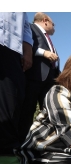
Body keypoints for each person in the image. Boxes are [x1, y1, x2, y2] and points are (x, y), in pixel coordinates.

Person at [19, 12, 61, 143]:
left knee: (48, 110)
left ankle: (46, 140)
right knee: (28, 110)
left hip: (49, 80)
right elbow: (25, 45)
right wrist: (44, 52)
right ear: (45, 20)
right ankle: (23, 140)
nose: (54, 27)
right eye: (53, 24)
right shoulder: (30, 28)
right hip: (34, 77)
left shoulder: (47, 38)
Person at [0, 12, 33, 155]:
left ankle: (7, 149)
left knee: (12, 98)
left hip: (12, 47)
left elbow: (25, 25)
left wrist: (28, 51)